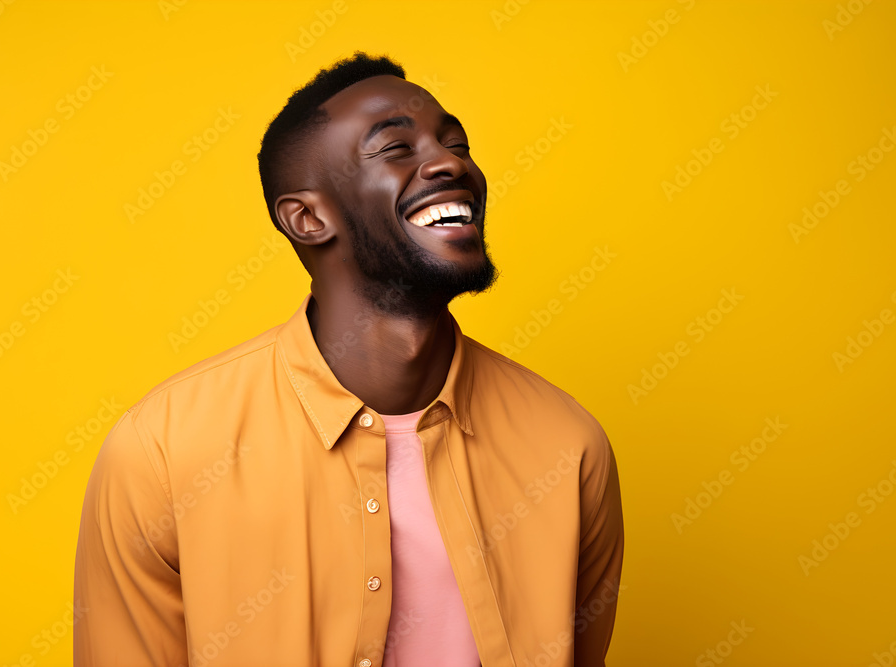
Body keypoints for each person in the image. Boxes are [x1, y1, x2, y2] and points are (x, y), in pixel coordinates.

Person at [73, 51, 624, 667]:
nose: (451, 163)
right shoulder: (163, 453)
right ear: (307, 218)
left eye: (455, 142)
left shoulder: (566, 448)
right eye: (395, 149)